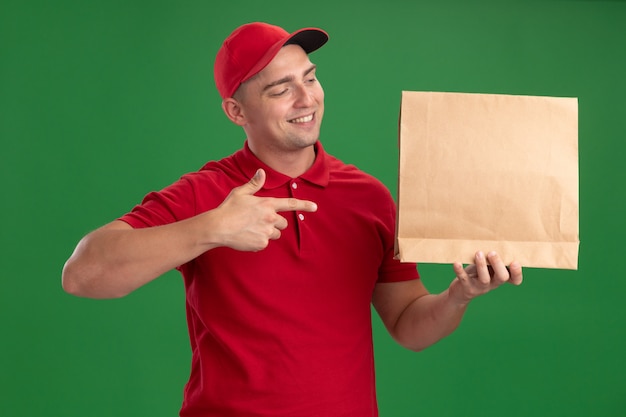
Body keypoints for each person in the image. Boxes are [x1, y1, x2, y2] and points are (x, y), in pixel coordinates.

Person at [62, 22, 523, 417]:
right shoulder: (207, 193)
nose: (306, 98)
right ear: (236, 111)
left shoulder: (370, 198)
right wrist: (212, 228)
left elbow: (408, 325)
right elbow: (83, 274)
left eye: (311, 78)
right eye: (281, 89)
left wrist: (459, 296)